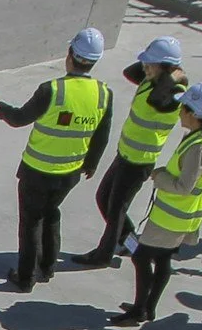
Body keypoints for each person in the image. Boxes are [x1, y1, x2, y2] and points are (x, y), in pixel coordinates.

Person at [0, 28, 115, 292]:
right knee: (52, 214)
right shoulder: (103, 93)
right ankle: (46, 267)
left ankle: (25, 277)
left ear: (70, 56)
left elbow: (19, 118)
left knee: (31, 222)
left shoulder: (52, 90)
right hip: (70, 172)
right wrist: (90, 164)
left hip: (38, 170)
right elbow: (102, 133)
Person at [107, 83, 202, 327]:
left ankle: (140, 309)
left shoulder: (198, 149)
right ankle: (148, 308)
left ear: (193, 114)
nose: (179, 111)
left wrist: (160, 177)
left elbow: (184, 186)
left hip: (170, 220)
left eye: (184, 108)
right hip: (183, 217)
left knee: (140, 258)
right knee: (161, 261)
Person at [71, 35, 187, 268]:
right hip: (125, 154)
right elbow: (129, 72)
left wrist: (176, 75)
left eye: (151, 64)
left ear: (166, 68)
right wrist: (159, 69)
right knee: (104, 199)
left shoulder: (173, 94)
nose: (145, 67)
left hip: (139, 162)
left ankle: (103, 256)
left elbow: (158, 100)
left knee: (116, 210)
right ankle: (131, 241)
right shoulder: (150, 79)